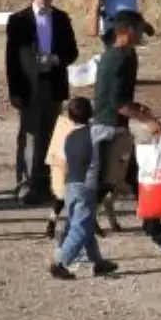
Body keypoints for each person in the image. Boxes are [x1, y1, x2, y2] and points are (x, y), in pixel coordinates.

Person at [91, 10, 161, 257]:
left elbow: (122, 100)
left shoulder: (117, 55)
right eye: (138, 31)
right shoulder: (121, 58)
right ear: (126, 32)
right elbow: (118, 102)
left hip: (113, 129)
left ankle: (157, 233)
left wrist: (139, 110)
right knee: (101, 187)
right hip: (110, 132)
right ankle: (73, 245)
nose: (141, 36)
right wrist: (149, 121)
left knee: (137, 181)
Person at [7, 0, 79, 205]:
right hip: (29, 87)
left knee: (51, 137)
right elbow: (11, 59)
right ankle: (26, 185)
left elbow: (72, 52)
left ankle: (48, 184)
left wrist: (57, 59)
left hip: (53, 85)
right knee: (29, 137)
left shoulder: (61, 18)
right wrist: (15, 91)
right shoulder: (19, 20)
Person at [50, 96, 118, 280]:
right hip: (86, 186)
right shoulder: (95, 131)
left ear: (70, 117)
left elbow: (62, 161)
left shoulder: (68, 136)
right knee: (81, 227)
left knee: (82, 224)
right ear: (91, 113)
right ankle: (61, 263)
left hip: (70, 185)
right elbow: (113, 132)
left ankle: (98, 262)